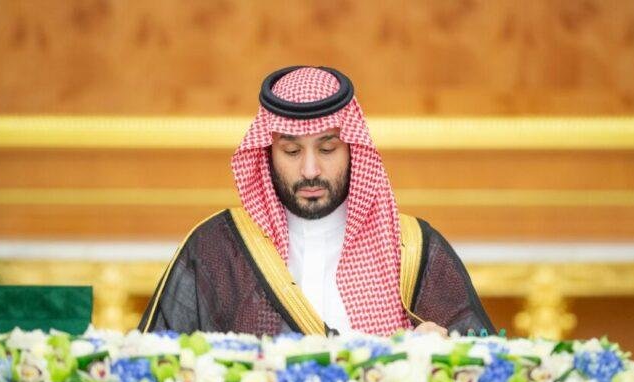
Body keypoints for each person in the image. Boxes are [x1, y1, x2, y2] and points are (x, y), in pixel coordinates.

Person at [138, 66, 494, 337]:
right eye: (291, 151)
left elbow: (485, 366)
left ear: (352, 149)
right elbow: (155, 367)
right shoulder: (217, 248)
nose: (310, 170)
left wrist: (441, 351)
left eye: (327, 149)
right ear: (267, 152)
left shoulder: (411, 249)